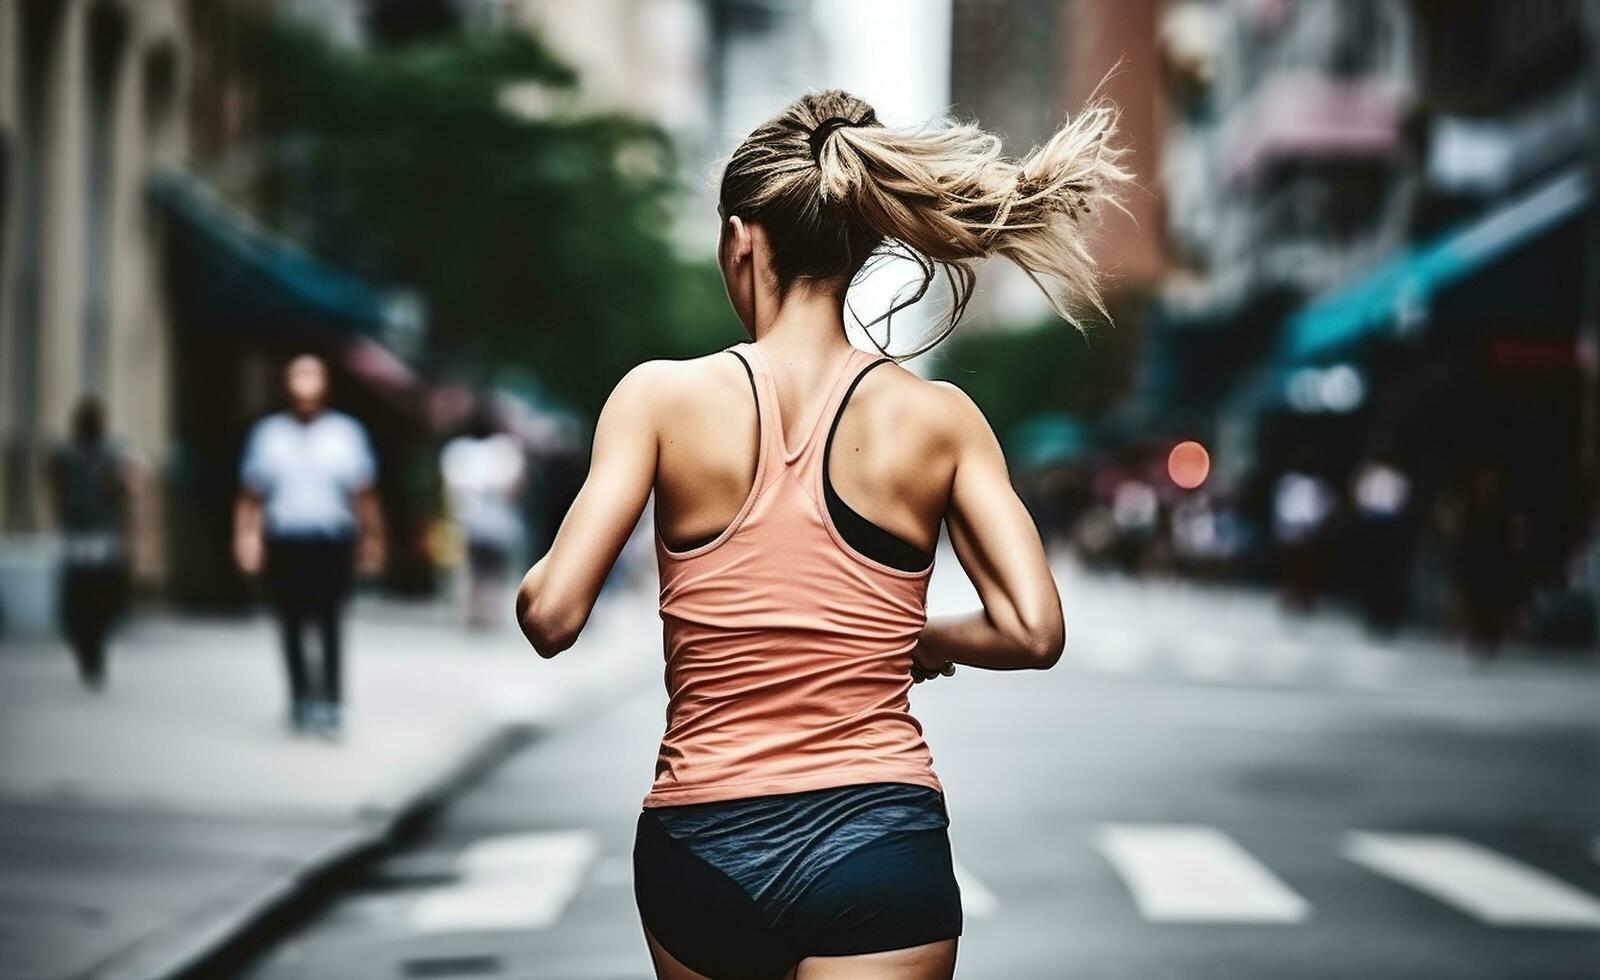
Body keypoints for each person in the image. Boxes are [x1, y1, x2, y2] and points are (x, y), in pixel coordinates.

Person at [515, 89, 1128, 979]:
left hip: (703, 841)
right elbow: (1035, 630)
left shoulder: (656, 400)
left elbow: (551, 615)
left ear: (739, 239)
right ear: (866, 247)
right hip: (879, 840)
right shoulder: (942, 420)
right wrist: (918, 638)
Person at [234, 354, 384, 737]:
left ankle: (331, 700)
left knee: (331, 621)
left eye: (313, 375)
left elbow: (363, 494)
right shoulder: (269, 435)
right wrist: (246, 537)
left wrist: (373, 539)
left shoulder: (346, 434)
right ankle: (300, 697)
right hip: (286, 540)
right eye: (298, 374)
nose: (306, 384)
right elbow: (251, 494)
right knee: (290, 621)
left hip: (331, 540)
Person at [45, 397, 136, 691]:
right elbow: (54, 485)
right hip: (78, 535)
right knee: (78, 598)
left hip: (101, 536)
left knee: (101, 598)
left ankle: (93, 647)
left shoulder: (111, 454)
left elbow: (124, 489)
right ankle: (86, 647)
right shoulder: (65, 454)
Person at [440, 404, 526, 628]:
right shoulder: (506, 451)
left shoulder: (458, 451)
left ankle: (475, 612)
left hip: (470, 520)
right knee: (495, 571)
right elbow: (515, 488)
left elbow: (450, 491)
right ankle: (491, 612)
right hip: (499, 522)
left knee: (474, 570)